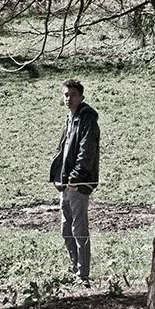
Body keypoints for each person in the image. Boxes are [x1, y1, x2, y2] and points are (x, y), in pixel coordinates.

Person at [49, 79, 100, 287]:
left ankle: (83, 276)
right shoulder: (71, 119)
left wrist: (75, 178)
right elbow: (63, 150)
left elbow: (86, 151)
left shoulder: (87, 119)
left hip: (78, 183)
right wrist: (58, 177)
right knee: (66, 229)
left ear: (81, 97)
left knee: (79, 229)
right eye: (66, 94)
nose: (68, 98)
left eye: (72, 95)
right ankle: (75, 270)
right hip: (65, 182)